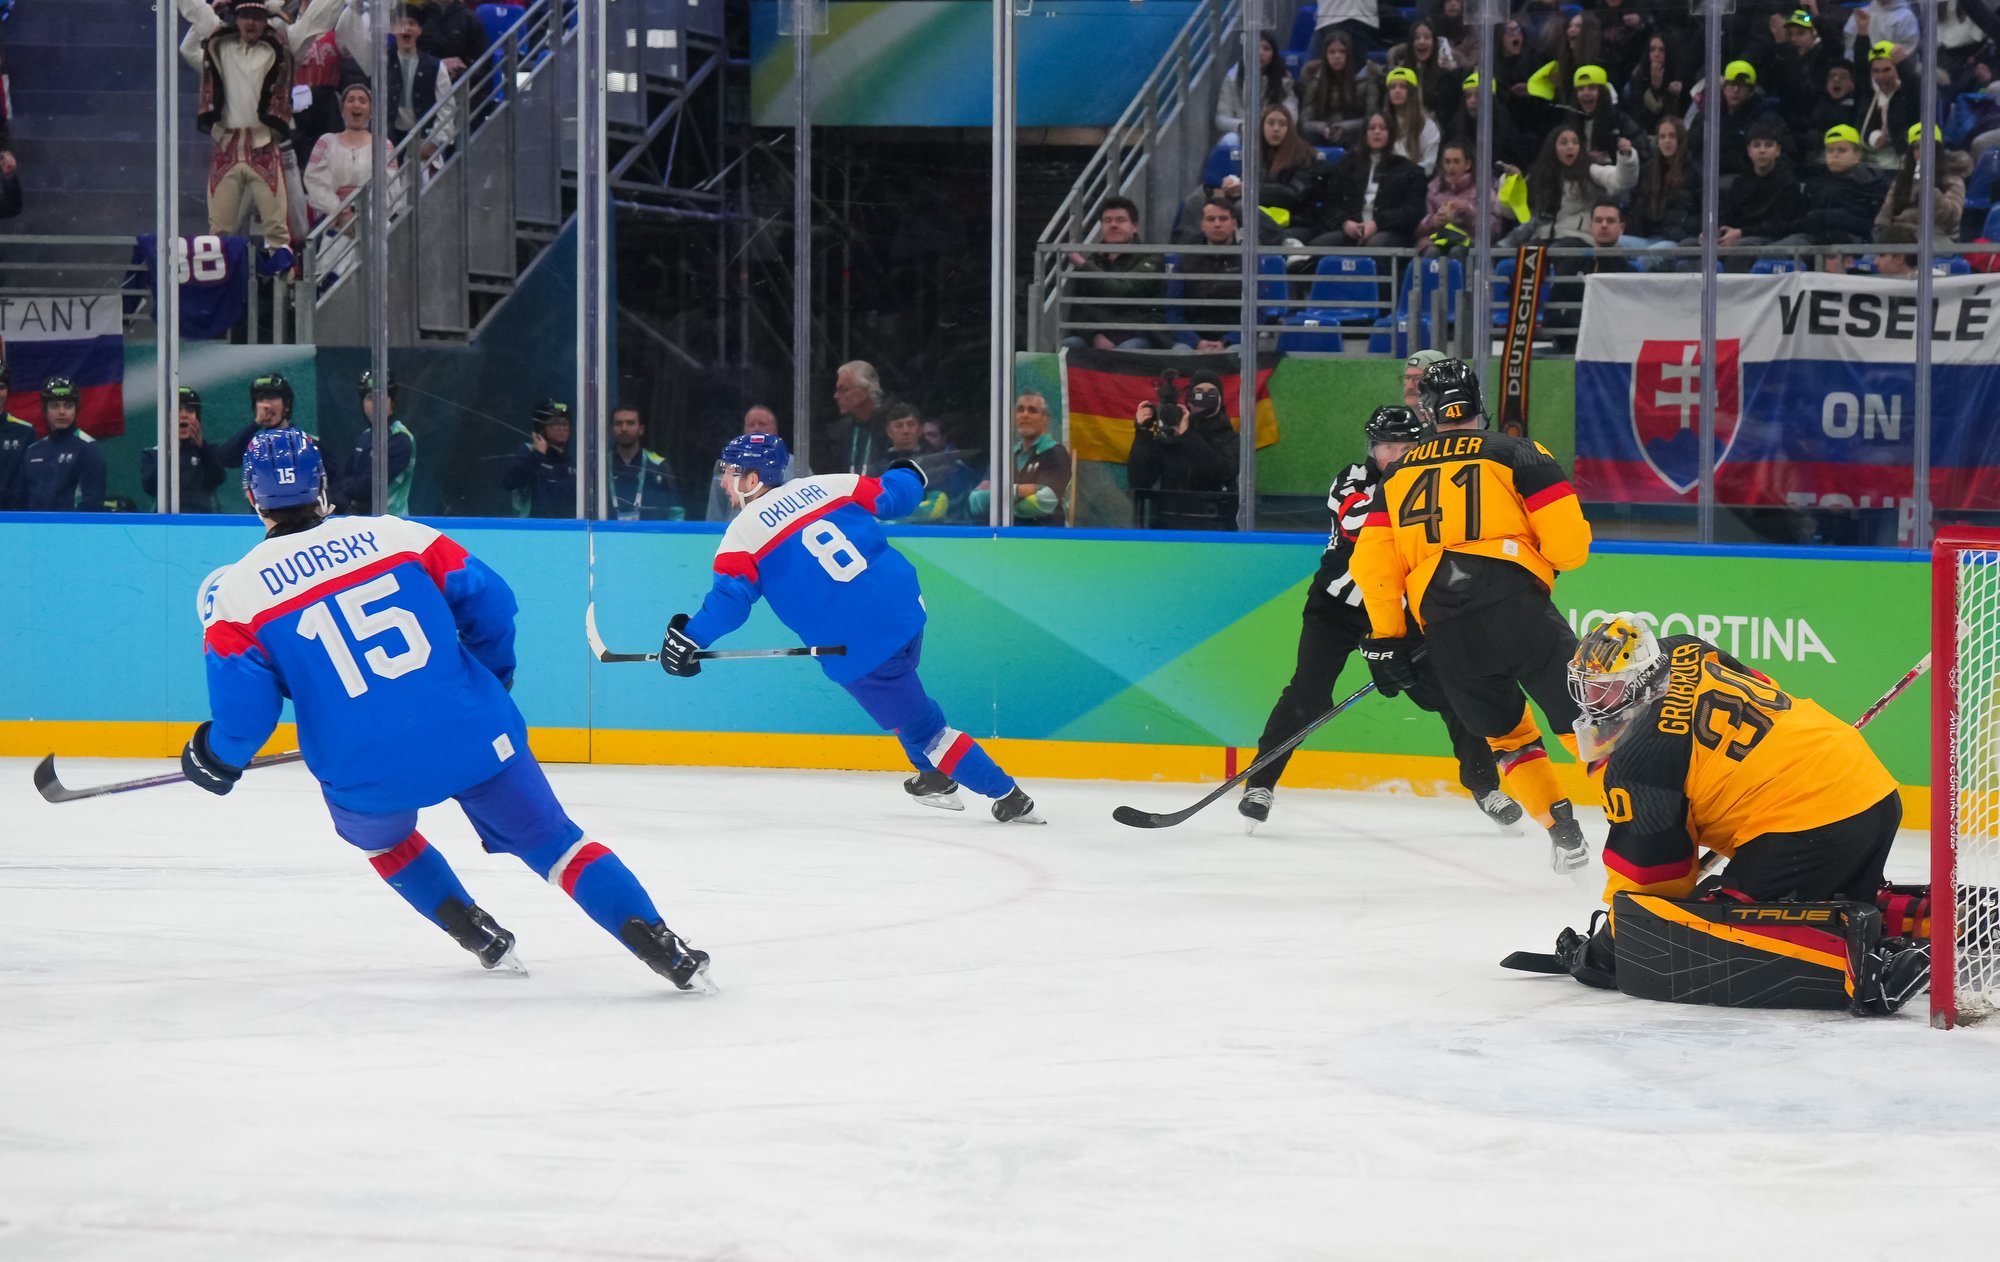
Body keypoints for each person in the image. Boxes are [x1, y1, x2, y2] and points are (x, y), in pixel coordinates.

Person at [187, 429, 711, 988]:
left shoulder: (235, 597)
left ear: (252, 496)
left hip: (365, 769)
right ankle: (664, 947)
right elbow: (493, 602)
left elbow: (246, 721)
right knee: (555, 842)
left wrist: (216, 758)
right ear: (322, 484)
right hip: (473, 732)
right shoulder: (396, 535)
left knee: (384, 841)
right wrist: (492, 679)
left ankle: (476, 932)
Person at [1543, 618, 1923, 1014]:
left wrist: (1604, 953)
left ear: (1641, 681)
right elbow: (1765, 685)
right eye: (1586, 686)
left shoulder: (1639, 763)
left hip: (1809, 822)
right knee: (1830, 901)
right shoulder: (1685, 649)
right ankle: (1932, 922)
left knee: (1713, 930)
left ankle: (1873, 969)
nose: (1591, 700)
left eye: (1606, 688)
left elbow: (1650, 886)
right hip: (1867, 785)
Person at [660, 432, 1043, 824]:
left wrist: (689, 638)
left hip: (860, 645)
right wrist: (909, 473)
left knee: (926, 730)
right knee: (902, 701)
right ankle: (933, 776)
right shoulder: (828, 485)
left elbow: (730, 603)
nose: (724, 481)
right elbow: (895, 496)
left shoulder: (742, 534)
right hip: (906, 610)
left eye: (731, 472)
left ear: (753, 479)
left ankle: (1009, 797)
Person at [1351, 359, 1595, 872]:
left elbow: (1372, 566)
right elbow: (1571, 546)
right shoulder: (1518, 452)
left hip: (1447, 629)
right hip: (1519, 607)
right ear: (1478, 404)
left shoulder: (1396, 476)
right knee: (1587, 722)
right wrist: (1539, 563)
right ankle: (1646, 823)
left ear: (1428, 413)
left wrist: (1388, 638)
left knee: (1509, 739)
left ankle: (1563, 833)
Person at [1239, 403, 1522, 834]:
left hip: (1398, 613)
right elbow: (1357, 522)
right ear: (1372, 449)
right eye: (1388, 447)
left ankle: (1485, 787)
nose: (1397, 455)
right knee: (1307, 693)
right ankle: (1260, 784)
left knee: (1454, 692)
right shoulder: (1352, 480)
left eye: (1406, 447)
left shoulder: (1433, 484)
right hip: (1337, 608)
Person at [178, 0, 354, 272]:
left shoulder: (284, 45)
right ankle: (227, 293)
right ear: (236, 18)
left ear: (266, 19)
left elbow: (317, 18)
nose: (251, 23)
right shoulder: (219, 41)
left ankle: (286, 290)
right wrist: (214, 8)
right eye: (245, 16)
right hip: (227, 147)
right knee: (220, 232)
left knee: (278, 232)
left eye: (257, 17)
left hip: (265, 146)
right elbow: (193, 11)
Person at [1129, 369, 1240, 531]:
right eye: (1198, 393)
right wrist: (1143, 433)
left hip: (1214, 530)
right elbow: (1139, 481)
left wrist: (1187, 435)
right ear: (1189, 399)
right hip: (1168, 529)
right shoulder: (1170, 436)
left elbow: (1223, 472)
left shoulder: (1231, 439)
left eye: (1211, 393)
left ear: (1220, 400)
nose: (1204, 398)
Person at [1310, 113, 1428, 249]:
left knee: (1376, 244)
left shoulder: (1408, 170)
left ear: (1391, 133)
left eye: (1383, 128)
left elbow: (1414, 211)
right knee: (1317, 245)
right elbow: (1330, 204)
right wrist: (1345, 223)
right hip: (1352, 230)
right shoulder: (1347, 165)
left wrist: (1378, 223)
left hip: (1390, 232)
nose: (1377, 132)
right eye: (1372, 128)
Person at [1062, 196, 1165, 352]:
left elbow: (1124, 289)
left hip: (1139, 335)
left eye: (1120, 220)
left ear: (1134, 226)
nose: (1113, 225)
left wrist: (1083, 264)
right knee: (1068, 345)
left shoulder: (1152, 258)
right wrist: (1095, 335)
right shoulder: (1092, 261)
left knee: (1126, 349)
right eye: (1107, 220)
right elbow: (1079, 309)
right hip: (1099, 335)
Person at [1505, 124, 1638, 244]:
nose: (1570, 147)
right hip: (1542, 237)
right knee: (1524, 256)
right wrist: (1513, 183)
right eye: (1564, 143)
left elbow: (1622, 181)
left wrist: (1626, 157)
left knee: (1560, 251)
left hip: (1578, 238)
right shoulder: (1538, 175)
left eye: (1575, 142)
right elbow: (1509, 211)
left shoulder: (1590, 170)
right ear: (1553, 148)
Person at [1544, 201, 1637, 352]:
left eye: (1610, 221)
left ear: (1621, 228)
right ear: (1590, 226)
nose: (1604, 225)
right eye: (1598, 220)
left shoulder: (1630, 273)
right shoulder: (1571, 265)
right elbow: (1551, 315)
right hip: (1571, 349)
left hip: (1616, 350)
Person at [969, 391, 1071, 527]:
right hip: (1005, 536)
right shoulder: (1004, 456)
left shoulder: (1055, 453)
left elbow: (1044, 502)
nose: (1025, 415)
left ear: (1045, 419)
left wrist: (997, 503)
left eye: (1032, 410)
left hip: (1045, 536)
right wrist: (1019, 491)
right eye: (1020, 410)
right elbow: (975, 501)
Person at [1774, 125, 1888, 246]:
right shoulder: (1815, 182)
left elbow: (1871, 224)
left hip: (1853, 243)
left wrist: (1825, 218)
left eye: (1842, 150)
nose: (1835, 155)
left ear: (1857, 155)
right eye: (1830, 150)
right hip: (1811, 240)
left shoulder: (1871, 184)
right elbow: (1798, 220)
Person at [331, 370, 416, 516]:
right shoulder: (366, 435)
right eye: (370, 397)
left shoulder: (400, 439)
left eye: (381, 397)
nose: (376, 404)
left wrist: (344, 490)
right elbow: (342, 477)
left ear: (392, 402)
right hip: (363, 522)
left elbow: (367, 487)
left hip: (392, 524)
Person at [20, 378, 108, 513]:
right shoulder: (33, 451)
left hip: (73, 525)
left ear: (76, 409)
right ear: (45, 410)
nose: (62, 412)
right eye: (55, 406)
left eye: (68, 406)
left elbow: (93, 504)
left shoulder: (88, 448)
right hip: (34, 525)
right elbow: (22, 501)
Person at [1875, 123, 1970, 243]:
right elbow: (1888, 208)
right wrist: (1880, 226)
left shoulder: (1952, 178)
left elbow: (1953, 216)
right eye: (1916, 146)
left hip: (1936, 233)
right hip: (1901, 232)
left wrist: (1931, 193)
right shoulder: (1903, 178)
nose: (1921, 151)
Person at [141, 387, 227, 513]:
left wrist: (202, 447)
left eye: (190, 410)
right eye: (177, 410)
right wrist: (170, 449)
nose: (184, 415)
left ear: (198, 418)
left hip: (201, 521)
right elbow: (150, 487)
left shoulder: (208, 452)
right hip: (166, 522)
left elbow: (219, 478)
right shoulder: (153, 454)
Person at [1688, 60, 1777, 180]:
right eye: (1731, 84)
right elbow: (1692, 150)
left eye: (1741, 86)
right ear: (1723, 88)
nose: (1735, 90)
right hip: (1705, 180)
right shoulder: (1707, 116)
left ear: (1751, 91)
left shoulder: (1763, 119)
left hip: (1744, 180)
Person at [387, 3, 456, 157]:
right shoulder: (382, 63)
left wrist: (435, 142)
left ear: (419, 30)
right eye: (401, 24)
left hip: (424, 138)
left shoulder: (435, 66)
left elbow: (446, 107)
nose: (406, 28)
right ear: (393, 29)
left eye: (412, 24)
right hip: (390, 139)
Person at [1623, 116, 1697, 254]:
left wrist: (1683, 226)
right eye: (1662, 137)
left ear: (1681, 140)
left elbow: (1699, 214)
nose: (1667, 141)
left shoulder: (1693, 172)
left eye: (1672, 136)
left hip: (1676, 240)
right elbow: (1636, 204)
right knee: (1616, 245)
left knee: (1650, 255)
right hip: (1648, 236)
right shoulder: (1648, 170)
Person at [1298, 31, 1381, 148]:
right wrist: (1322, 127)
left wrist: (1345, 127)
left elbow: (1372, 119)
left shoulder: (1366, 78)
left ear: (1350, 54)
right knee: (1310, 138)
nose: (1337, 56)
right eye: (1332, 52)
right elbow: (1305, 122)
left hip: (1354, 134)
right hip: (1324, 133)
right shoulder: (1315, 81)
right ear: (1325, 55)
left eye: (1342, 51)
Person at [704, 405, 786, 522]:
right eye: (751, 425)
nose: (756, 428)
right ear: (744, 430)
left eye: (762, 424)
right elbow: (714, 516)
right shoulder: (727, 468)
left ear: (775, 429)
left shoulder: (795, 465)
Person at [1215, 32, 1298, 140]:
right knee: (1230, 139)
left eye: (1266, 49)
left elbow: (1291, 115)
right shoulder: (1232, 78)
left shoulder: (1283, 79)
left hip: (1274, 133)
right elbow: (1221, 119)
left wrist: (1272, 125)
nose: (1260, 53)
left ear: (1273, 54)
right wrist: (1242, 126)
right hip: (1243, 135)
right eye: (1255, 47)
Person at [502, 399, 576, 518]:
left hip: (569, 527)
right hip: (533, 526)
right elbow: (509, 483)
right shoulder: (529, 451)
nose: (562, 427)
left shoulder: (574, 459)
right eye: (555, 423)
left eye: (565, 424)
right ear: (542, 428)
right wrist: (538, 454)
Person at [608, 404, 682, 522]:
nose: (624, 428)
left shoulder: (659, 466)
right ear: (612, 429)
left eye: (630, 423)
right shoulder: (601, 466)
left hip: (651, 533)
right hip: (608, 533)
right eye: (618, 423)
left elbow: (676, 513)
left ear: (641, 429)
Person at [217, 372, 302, 474]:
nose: (265, 405)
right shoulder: (254, 445)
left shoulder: (306, 443)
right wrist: (255, 424)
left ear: (287, 404)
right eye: (260, 399)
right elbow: (221, 459)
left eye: (271, 397)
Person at [823, 360, 889, 476]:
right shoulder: (841, 430)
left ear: (864, 390)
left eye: (843, 390)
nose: (836, 396)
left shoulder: (892, 426)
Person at [1382, 68, 1440, 174]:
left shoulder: (1428, 126)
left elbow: (1429, 165)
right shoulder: (1381, 125)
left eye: (1403, 86)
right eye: (1392, 87)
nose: (1397, 91)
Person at [0, 360, 37, 511]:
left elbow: (31, 482)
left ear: (8, 391)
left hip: (14, 518)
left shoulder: (25, 432)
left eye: (1, 387)